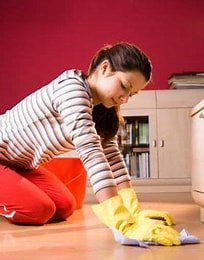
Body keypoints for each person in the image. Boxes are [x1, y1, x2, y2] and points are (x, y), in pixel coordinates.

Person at [0, 42, 180, 245]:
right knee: (39, 211)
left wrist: (133, 211)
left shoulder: (100, 107)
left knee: (65, 206)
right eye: (124, 86)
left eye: (132, 94)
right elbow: (90, 151)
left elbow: (111, 155)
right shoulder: (72, 87)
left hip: (21, 166)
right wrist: (122, 222)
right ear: (104, 68)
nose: (125, 98)